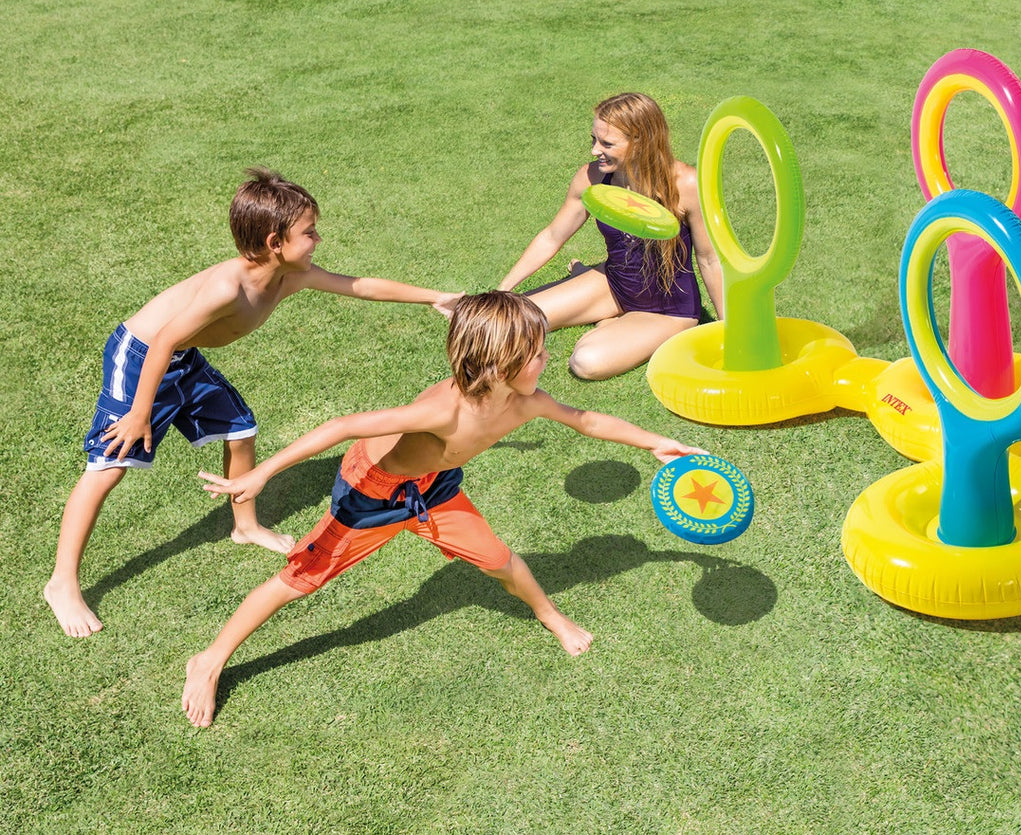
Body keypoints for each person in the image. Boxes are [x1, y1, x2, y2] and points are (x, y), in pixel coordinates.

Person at [183, 291, 704, 727]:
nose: (546, 360)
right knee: (300, 578)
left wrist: (656, 442)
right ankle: (208, 660)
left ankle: (552, 617)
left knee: (499, 559)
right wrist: (259, 472)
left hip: (434, 488)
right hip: (373, 491)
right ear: (499, 364)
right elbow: (342, 427)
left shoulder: (528, 400)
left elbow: (587, 420)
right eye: (538, 353)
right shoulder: (441, 409)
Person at [45, 167, 462, 639]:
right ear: (274, 242)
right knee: (110, 462)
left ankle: (245, 526)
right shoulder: (229, 288)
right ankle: (62, 582)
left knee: (240, 428)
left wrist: (435, 298)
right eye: (309, 233)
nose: (318, 240)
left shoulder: (290, 276)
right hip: (141, 358)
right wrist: (139, 414)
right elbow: (162, 341)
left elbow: (359, 285)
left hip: (180, 359)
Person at [497, 92, 723, 380]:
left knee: (586, 361)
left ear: (641, 142)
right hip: (613, 284)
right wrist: (501, 291)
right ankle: (604, 305)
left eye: (606, 143)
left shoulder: (687, 184)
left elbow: (709, 258)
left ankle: (610, 322)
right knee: (507, 321)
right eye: (593, 139)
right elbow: (552, 237)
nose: (594, 150)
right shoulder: (592, 177)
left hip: (668, 309)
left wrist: (727, 327)